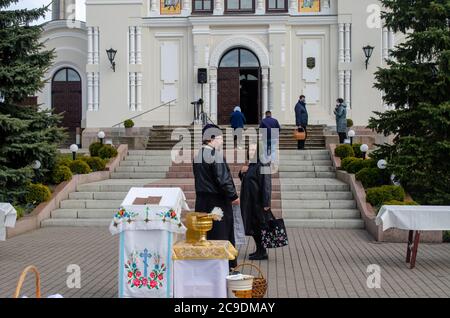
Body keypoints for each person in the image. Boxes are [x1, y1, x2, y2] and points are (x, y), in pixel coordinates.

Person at [193, 124, 240, 269]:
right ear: (211, 139)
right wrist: (233, 196)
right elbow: (223, 179)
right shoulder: (214, 155)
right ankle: (225, 267)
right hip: (217, 202)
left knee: (205, 235)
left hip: (202, 201)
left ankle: (207, 266)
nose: (222, 141)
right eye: (220, 138)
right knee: (221, 234)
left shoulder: (198, 155)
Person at [239, 143, 272, 261]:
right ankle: (260, 250)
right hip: (250, 201)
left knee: (258, 226)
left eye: (254, 149)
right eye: (250, 149)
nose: (252, 151)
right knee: (253, 226)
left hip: (258, 202)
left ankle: (262, 251)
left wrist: (266, 203)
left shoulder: (263, 163)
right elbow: (248, 180)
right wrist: (242, 172)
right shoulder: (252, 164)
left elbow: (266, 184)